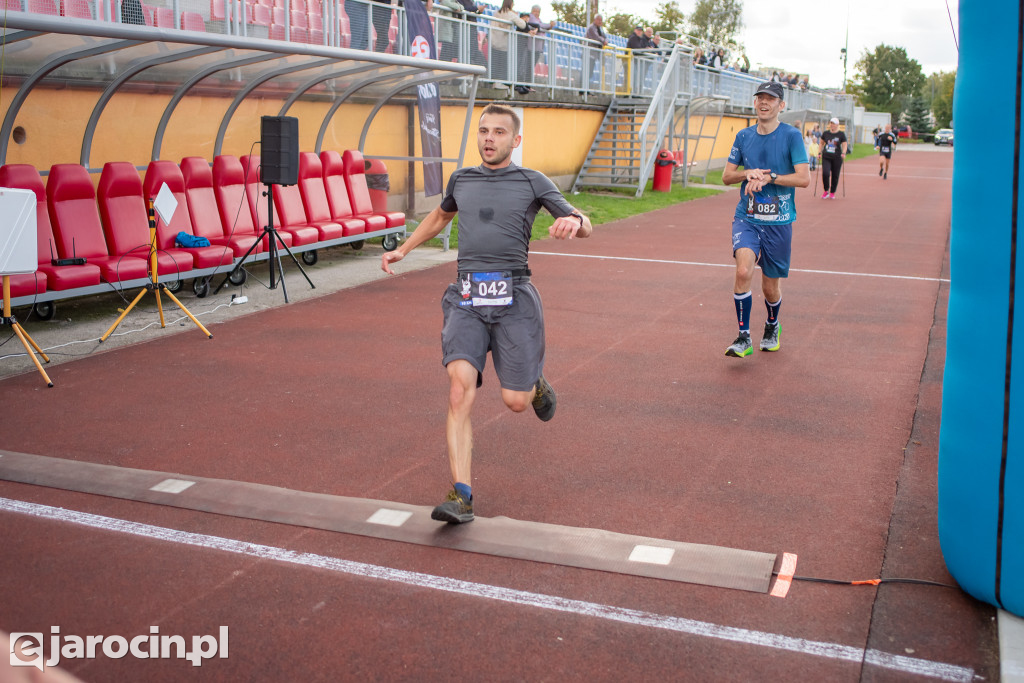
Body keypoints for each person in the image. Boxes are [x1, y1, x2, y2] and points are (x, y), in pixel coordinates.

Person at [381, 103, 593, 524]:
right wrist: (404, 248)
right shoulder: (461, 179)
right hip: (466, 295)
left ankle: (534, 385)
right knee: (459, 390)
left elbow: (582, 222)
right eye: (483, 130)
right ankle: (461, 496)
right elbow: (441, 216)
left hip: (514, 293)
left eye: (498, 132)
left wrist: (576, 221)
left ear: (515, 141)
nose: (488, 138)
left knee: (515, 401)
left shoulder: (532, 181)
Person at [720, 81, 810, 357]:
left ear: (781, 105)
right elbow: (726, 176)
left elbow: (804, 179)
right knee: (744, 270)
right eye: (760, 97)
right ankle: (743, 337)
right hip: (747, 216)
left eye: (770, 99)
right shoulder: (743, 136)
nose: (763, 102)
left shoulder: (792, 136)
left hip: (779, 221)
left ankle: (772, 324)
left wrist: (771, 177)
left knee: (770, 286)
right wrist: (747, 174)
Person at [493, 0, 527, 86]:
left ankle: (494, 83)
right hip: (504, 44)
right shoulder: (510, 14)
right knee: (503, 66)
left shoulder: (496, 12)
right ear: (510, 4)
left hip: (494, 42)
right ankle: (501, 84)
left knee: (495, 65)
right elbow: (523, 25)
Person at [818, 117, 847, 199]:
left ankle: (832, 191)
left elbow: (844, 144)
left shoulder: (841, 134)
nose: (832, 125)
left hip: (837, 158)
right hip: (826, 156)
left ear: (837, 125)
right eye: (831, 123)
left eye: (833, 123)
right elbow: (821, 143)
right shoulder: (826, 133)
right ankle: (826, 190)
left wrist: (844, 153)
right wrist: (819, 152)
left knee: (835, 175)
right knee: (825, 173)